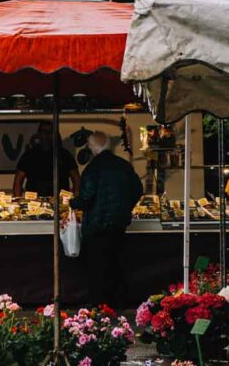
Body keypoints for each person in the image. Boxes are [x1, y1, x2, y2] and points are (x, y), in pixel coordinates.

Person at [70, 131, 143, 307]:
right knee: (116, 265)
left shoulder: (93, 168)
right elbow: (137, 190)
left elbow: (86, 197)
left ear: (93, 147)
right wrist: (125, 207)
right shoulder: (123, 166)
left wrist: (72, 203)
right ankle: (117, 303)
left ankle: (99, 306)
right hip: (119, 225)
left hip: (96, 226)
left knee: (97, 269)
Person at [13, 122, 80, 197]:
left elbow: (76, 178)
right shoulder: (29, 155)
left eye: (50, 132)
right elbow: (18, 180)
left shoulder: (64, 155)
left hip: (59, 202)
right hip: (34, 203)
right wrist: (17, 201)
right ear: (39, 134)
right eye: (44, 131)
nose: (47, 135)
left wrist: (77, 198)